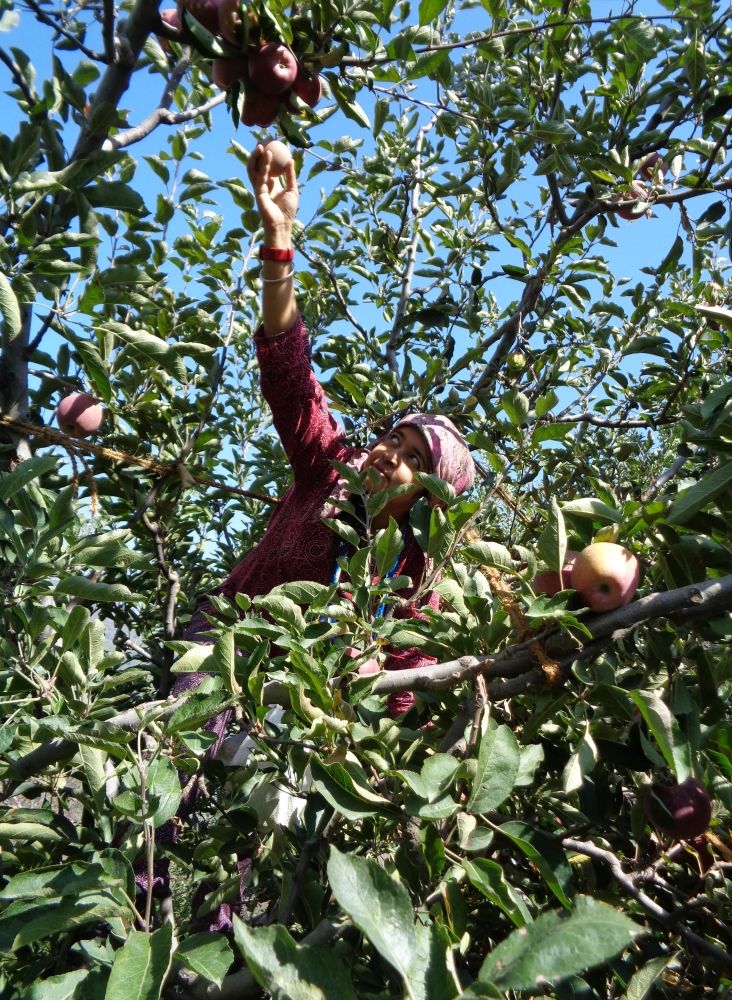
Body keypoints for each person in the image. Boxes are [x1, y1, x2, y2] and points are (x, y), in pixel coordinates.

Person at [139, 143, 475, 929]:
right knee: (162, 802)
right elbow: (289, 369)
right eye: (395, 435)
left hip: (301, 717)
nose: (389, 450)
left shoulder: (414, 577)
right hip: (221, 652)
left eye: (414, 456)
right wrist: (279, 238)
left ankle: (216, 948)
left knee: (248, 848)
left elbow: (410, 676)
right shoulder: (327, 469)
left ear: (429, 496)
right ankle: (136, 919)